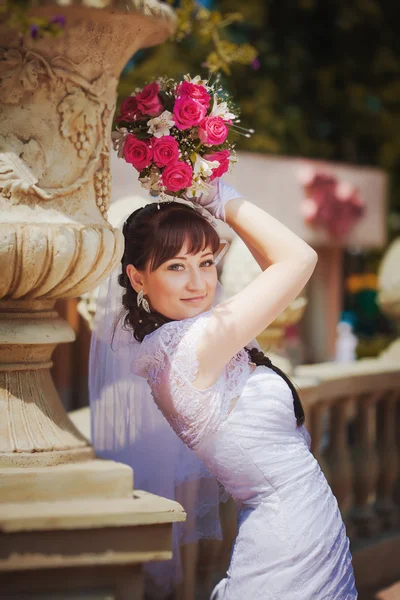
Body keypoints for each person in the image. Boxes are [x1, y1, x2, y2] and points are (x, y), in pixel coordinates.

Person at [90, 179, 358, 599]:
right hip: (287, 546)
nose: (199, 283)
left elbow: (278, 265)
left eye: (206, 261)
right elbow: (297, 258)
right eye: (175, 266)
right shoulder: (190, 348)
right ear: (137, 278)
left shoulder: (182, 342)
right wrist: (215, 191)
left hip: (303, 535)